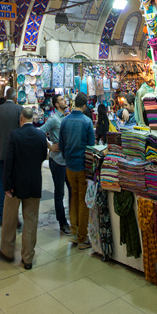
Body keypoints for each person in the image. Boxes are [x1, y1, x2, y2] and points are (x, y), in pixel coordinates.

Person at [0, 107, 48, 269]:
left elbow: (9, 161)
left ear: (21, 119)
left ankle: (7, 250)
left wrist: (7, 185)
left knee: (10, 219)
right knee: (31, 220)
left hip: (15, 185)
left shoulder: (15, 135)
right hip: (34, 183)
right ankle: (27, 258)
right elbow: (42, 157)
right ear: (32, 119)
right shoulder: (41, 135)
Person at [58, 91, 95, 249]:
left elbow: (61, 145)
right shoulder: (87, 122)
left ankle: (74, 232)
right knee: (83, 201)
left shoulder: (65, 121)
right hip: (82, 167)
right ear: (85, 106)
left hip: (69, 166)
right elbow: (91, 147)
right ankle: (82, 237)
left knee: (73, 197)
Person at [0, 87, 22, 224]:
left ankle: (3, 216)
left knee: (1, 185)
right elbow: (21, 131)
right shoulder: (19, 110)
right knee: (14, 185)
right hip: (14, 155)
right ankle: (14, 216)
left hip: (0, 153)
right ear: (15, 97)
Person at [39, 93, 71, 234]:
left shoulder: (67, 117)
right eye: (62, 99)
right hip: (57, 161)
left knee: (72, 190)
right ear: (57, 104)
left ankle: (72, 219)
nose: (65, 100)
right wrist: (49, 146)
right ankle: (62, 223)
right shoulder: (53, 119)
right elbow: (40, 132)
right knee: (59, 193)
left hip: (67, 160)